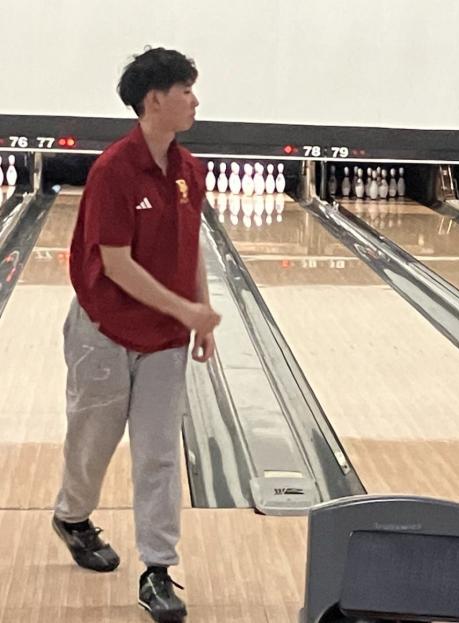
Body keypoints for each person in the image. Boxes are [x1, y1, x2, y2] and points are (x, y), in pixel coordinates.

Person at [52, 47, 221, 623]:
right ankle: (72, 517)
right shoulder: (113, 170)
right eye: (186, 90)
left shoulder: (189, 170)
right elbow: (118, 265)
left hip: (166, 339)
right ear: (155, 100)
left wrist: (200, 311)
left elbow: (190, 245)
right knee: (93, 444)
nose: (195, 100)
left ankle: (158, 570)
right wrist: (187, 310)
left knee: (158, 458)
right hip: (103, 330)